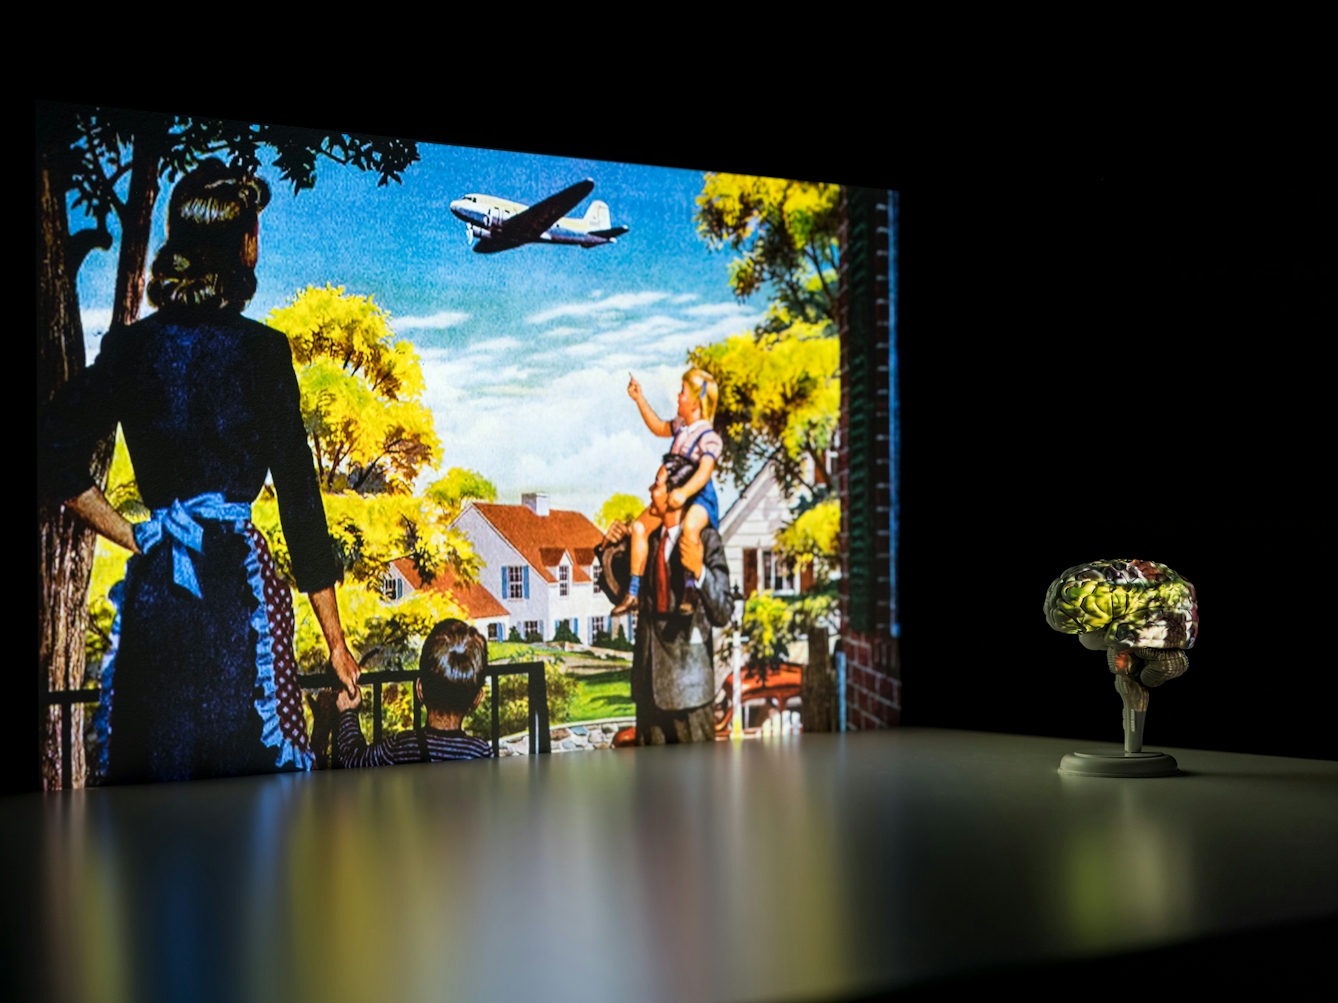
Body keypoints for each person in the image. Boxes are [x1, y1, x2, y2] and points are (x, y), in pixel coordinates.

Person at [38, 159, 360, 784]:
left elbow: (52, 452)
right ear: (242, 246)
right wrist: (336, 642)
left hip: (161, 590)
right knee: (245, 804)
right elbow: (299, 504)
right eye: (255, 234)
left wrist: (136, 535)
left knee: (158, 795)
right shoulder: (265, 352)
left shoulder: (133, 349)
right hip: (239, 598)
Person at [599, 462, 733, 744]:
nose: (651, 490)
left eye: (657, 484)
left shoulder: (706, 541)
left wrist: (700, 572)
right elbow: (617, 593)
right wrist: (607, 546)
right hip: (649, 691)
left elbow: (723, 612)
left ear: (677, 495)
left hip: (691, 695)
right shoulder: (645, 544)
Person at [612, 368, 723, 617]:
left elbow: (704, 472)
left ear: (695, 402)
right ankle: (633, 592)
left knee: (691, 528)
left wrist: (684, 493)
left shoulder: (708, 437)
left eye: (683, 392)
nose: (678, 396)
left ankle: (690, 590)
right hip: (672, 497)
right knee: (640, 527)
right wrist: (639, 399)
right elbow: (658, 427)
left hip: (697, 497)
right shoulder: (682, 427)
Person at [335, 619, 493, 766]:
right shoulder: (481, 752)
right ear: (477, 698)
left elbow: (354, 760)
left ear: (420, 689)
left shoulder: (401, 746)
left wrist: (348, 713)